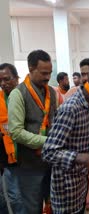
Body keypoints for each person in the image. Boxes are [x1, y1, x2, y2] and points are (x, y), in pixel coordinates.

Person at [42, 57, 89, 213]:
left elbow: (79, 132)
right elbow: (48, 151)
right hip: (67, 190)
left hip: (80, 183)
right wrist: (84, 158)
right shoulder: (71, 108)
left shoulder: (88, 103)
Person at [8, 50, 57, 214]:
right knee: (33, 208)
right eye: (44, 73)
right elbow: (16, 132)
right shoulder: (18, 94)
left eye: (49, 73)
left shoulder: (51, 92)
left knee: (54, 205)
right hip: (30, 166)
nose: (47, 77)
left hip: (51, 161)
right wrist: (48, 141)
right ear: (30, 68)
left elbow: (54, 121)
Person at [0, 63, 24, 214]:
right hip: (8, 159)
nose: (3, 83)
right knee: (14, 197)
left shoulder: (26, 96)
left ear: (16, 78)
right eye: (0, 80)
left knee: (32, 195)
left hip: (28, 156)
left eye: (7, 79)